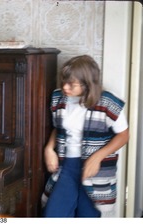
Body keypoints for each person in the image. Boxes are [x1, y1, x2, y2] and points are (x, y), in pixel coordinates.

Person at [41, 55, 129, 217]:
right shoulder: (59, 98)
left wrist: (97, 157)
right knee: (53, 214)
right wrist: (49, 149)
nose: (65, 88)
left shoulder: (108, 102)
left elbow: (123, 135)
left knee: (88, 215)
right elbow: (58, 128)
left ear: (88, 83)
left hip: (96, 172)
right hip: (66, 167)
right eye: (63, 82)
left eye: (72, 85)